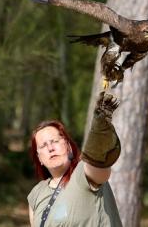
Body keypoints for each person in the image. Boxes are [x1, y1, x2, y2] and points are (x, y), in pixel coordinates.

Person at [27, 92, 123, 227]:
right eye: (43, 145)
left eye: (54, 141)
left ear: (68, 146)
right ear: (39, 158)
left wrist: (100, 129)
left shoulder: (82, 173)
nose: (50, 148)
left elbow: (99, 164)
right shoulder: (36, 194)